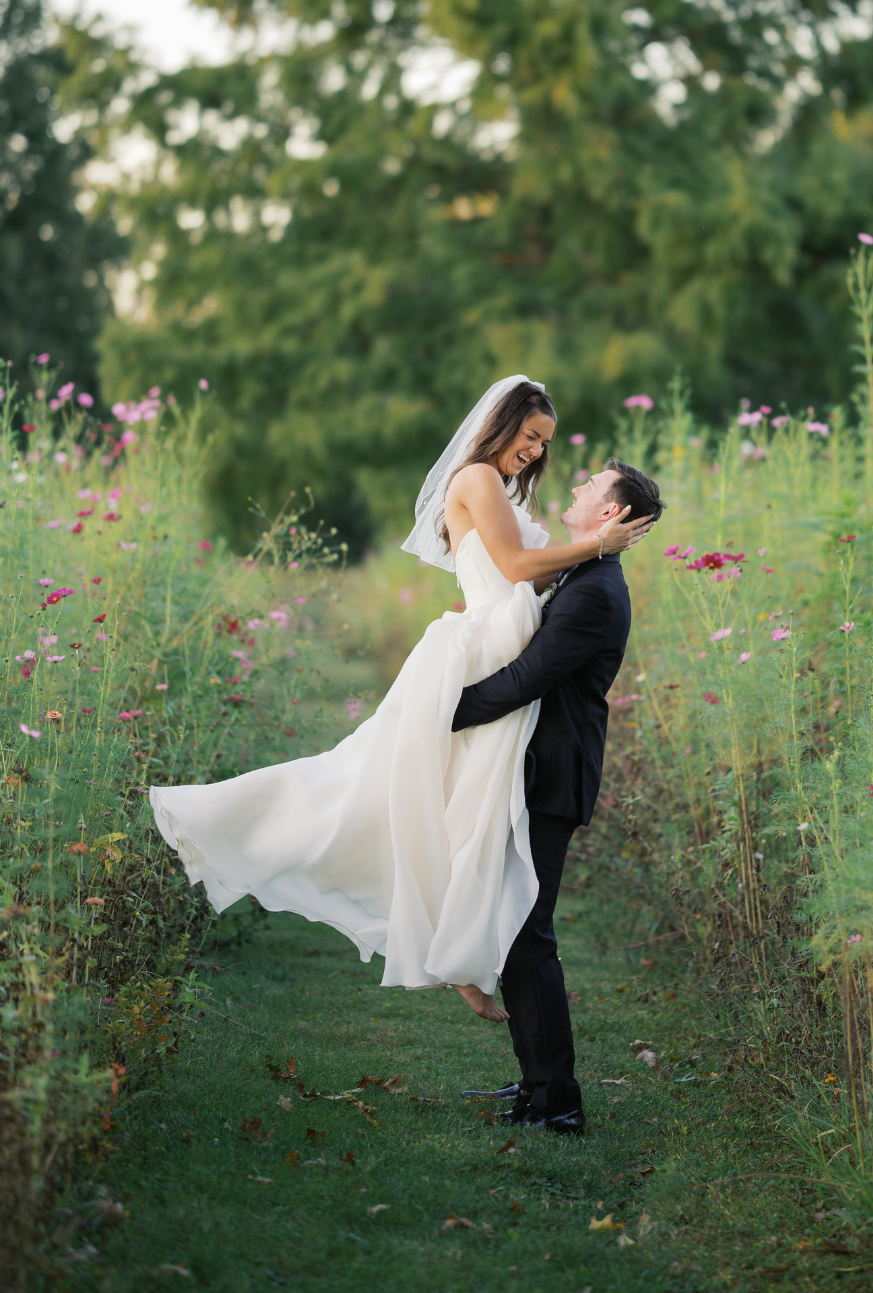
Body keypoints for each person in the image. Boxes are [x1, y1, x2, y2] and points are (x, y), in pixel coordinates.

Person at [149, 376, 654, 1023]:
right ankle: (233, 823)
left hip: (503, 643)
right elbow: (513, 566)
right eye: (530, 435)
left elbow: (529, 567)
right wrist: (595, 546)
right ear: (502, 425)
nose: (535, 451)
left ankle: (459, 954)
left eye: (544, 442)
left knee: (466, 813)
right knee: (376, 787)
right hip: (486, 651)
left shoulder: (498, 487)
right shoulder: (475, 478)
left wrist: (590, 554)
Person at [455, 458, 665, 1134]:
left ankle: (558, 1101)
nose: (575, 488)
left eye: (590, 487)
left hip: (553, 776)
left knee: (528, 935)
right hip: (538, 769)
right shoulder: (583, 573)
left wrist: (440, 711)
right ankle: (538, 1087)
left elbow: (526, 679)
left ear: (609, 513)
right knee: (519, 931)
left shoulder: (596, 592)